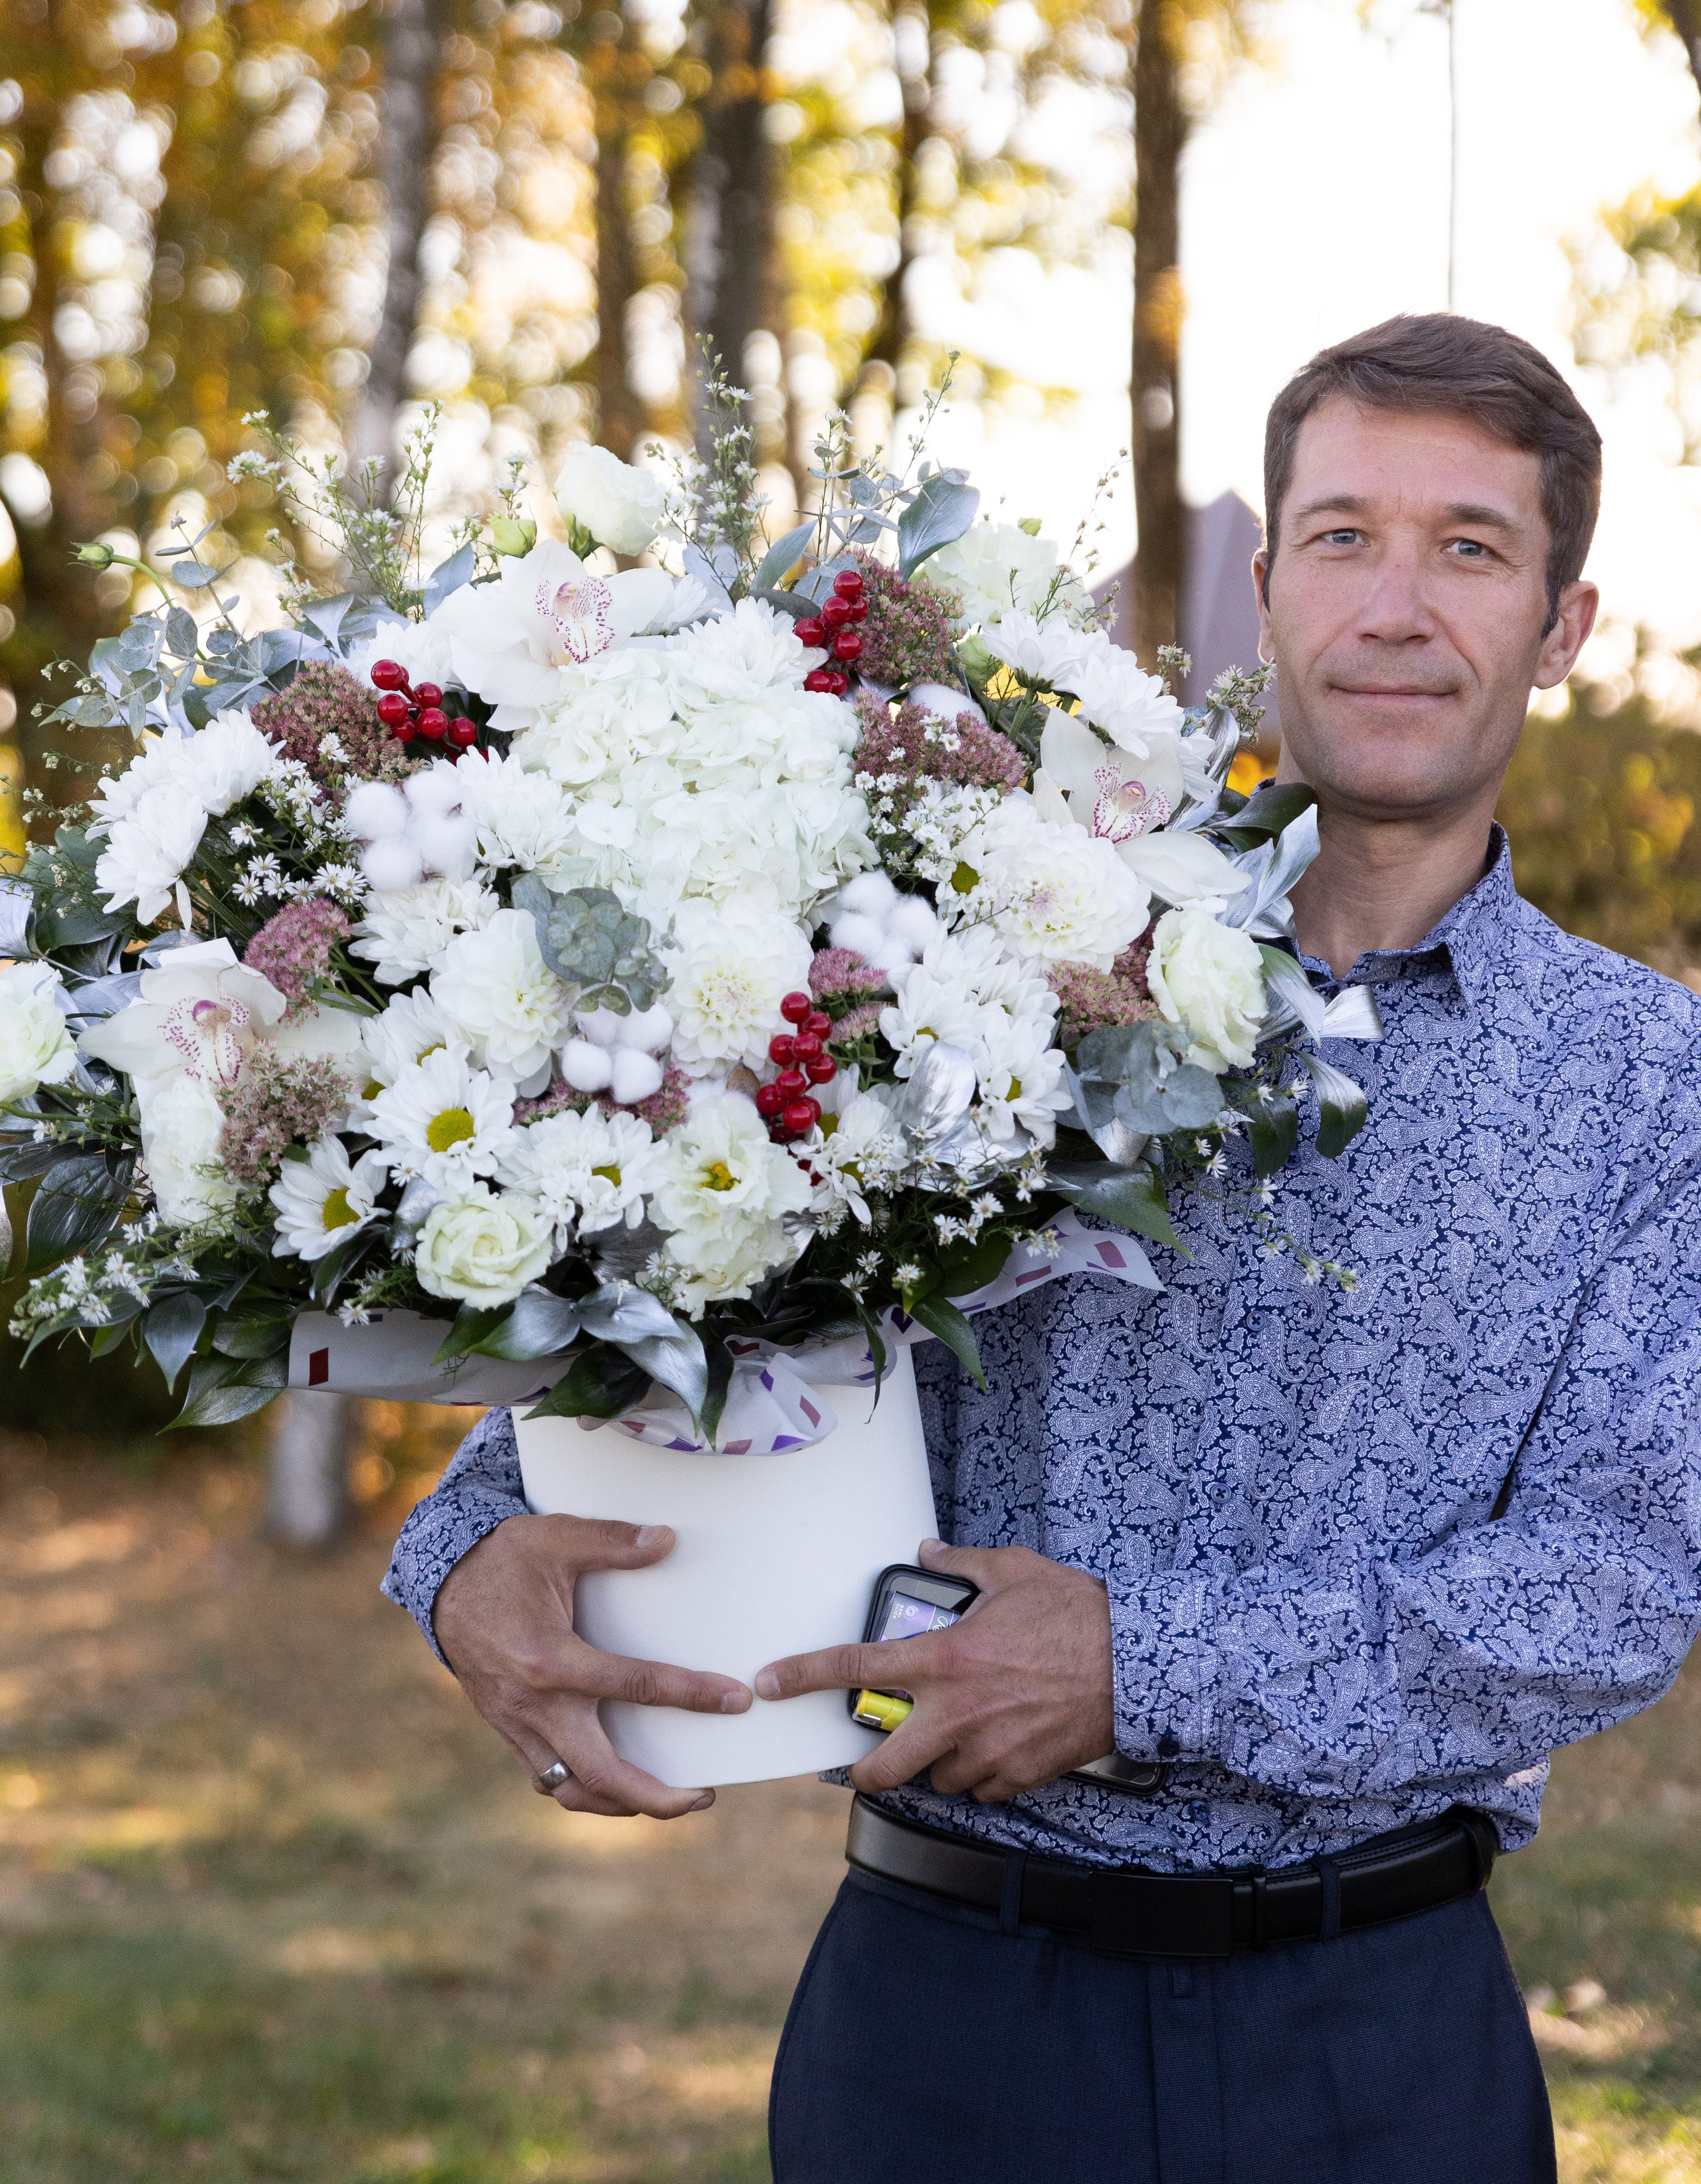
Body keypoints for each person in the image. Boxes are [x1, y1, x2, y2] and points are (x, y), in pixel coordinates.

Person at [383, 314, 1701, 2184]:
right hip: (945, 2025)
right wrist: (462, 1554)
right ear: (1264, 588)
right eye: (1343, 535)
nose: (1397, 605)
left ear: (1562, 626)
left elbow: (1612, 1589)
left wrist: (1133, 1666)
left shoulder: (1655, 1087)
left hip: (1380, 2043)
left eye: (1471, 548)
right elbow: (718, 1284)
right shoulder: (970, 946)